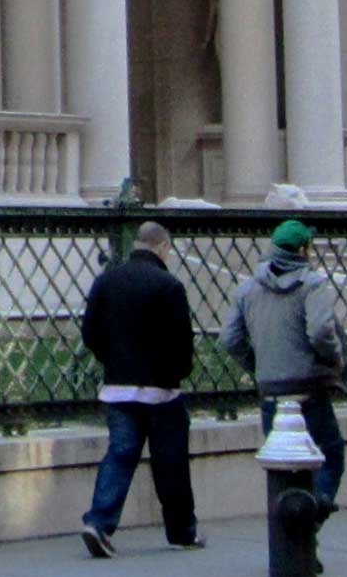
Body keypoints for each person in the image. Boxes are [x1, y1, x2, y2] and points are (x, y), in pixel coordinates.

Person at [76, 221, 201, 558]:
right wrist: (177, 373)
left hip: (118, 386)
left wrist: (112, 360)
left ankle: (99, 523)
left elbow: (90, 332)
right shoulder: (168, 285)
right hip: (161, 390)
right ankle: (181, 532)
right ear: (162, 247)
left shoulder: (106, 281)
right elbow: (181, 341)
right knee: (170, 462)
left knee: (120, 453)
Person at [219, 218, 347, 507]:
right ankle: (312, 514)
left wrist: (257, 364)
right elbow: (320, 331)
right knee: (329, 455)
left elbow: (229, 339)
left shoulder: (248, 289)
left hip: (271, 391)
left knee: (284, 471)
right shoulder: (311, 285)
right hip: (308, 389)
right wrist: (333, 358)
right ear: (304, 251)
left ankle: (295, 536)